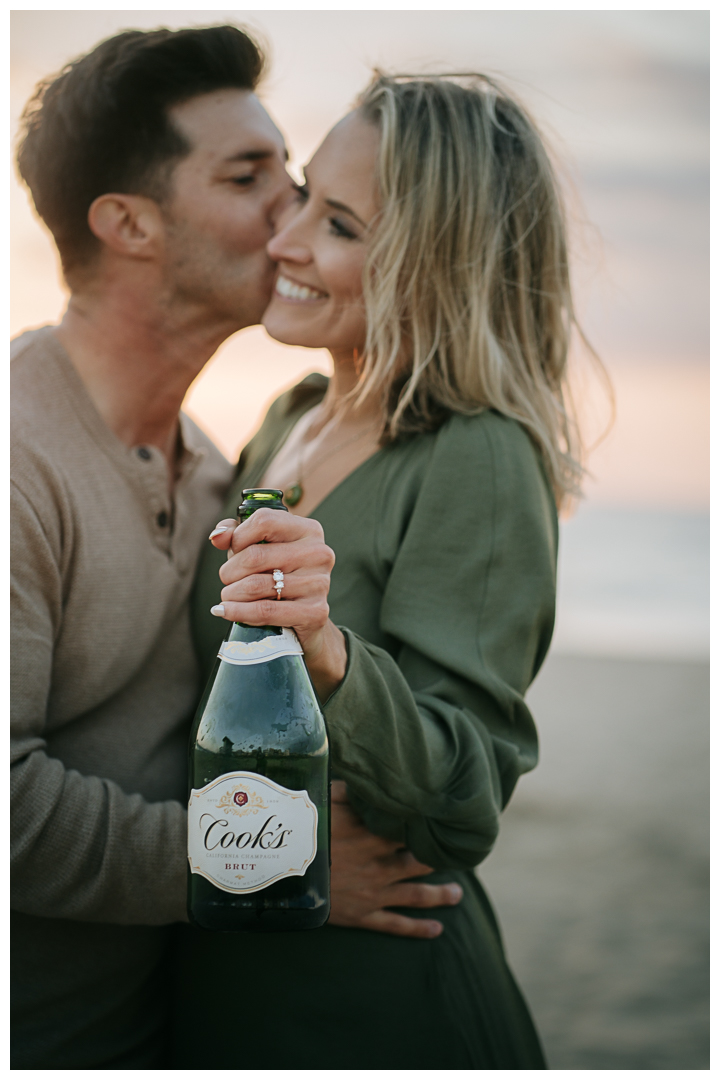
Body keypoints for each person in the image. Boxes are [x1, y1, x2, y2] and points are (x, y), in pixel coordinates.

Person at [10, 29, 462, 1070]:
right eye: (249, 175)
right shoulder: (17, 457)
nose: (295, 213)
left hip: (169, 1024)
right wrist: (267, 864)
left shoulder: (221, 465)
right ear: (128, 224)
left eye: (295, 178)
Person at [177, 72, 585, 1069]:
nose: (286, 240)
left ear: (436, 267)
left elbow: (465, 798)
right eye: (306, 195)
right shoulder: (290, 412)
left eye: (343, 226)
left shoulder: (478, 456)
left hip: (379, 1010)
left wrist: (328, 653)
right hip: (239, 989)